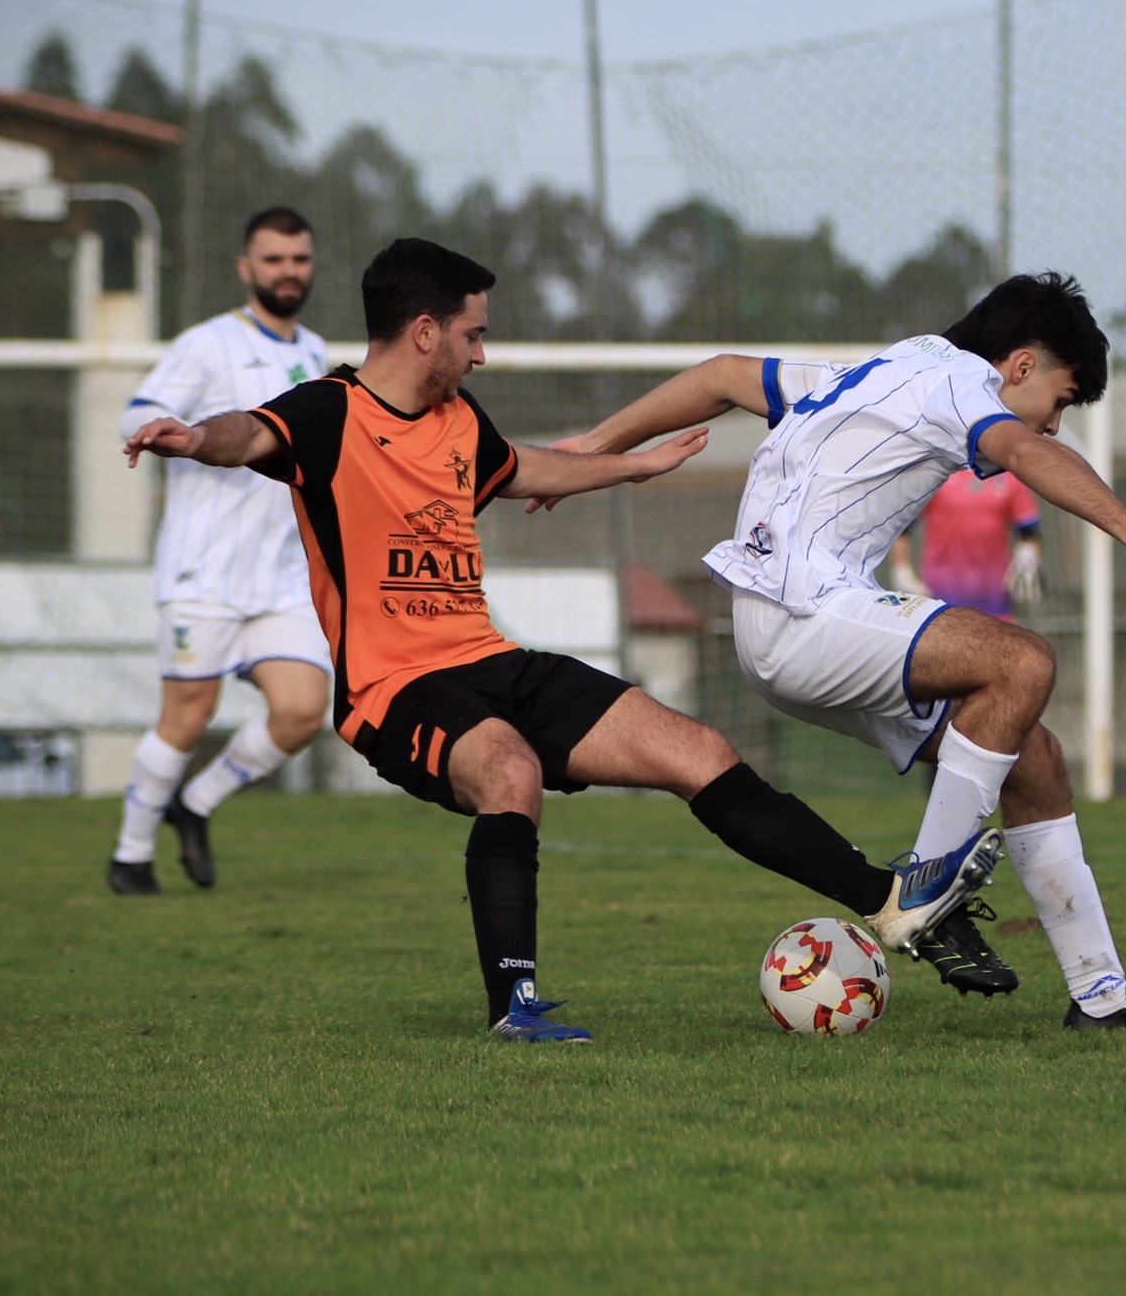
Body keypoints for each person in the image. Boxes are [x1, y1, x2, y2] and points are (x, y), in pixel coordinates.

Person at [123, 237, 996, 1043]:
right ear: (424, 332)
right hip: (393, 690)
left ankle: (891, 903)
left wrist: (630, 464)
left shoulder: (458, 418)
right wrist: (195, 437)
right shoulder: (327, 412)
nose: (480, 353)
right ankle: (514, 1006)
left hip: (492, 660)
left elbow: (522, 466)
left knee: (698, 750)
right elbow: (249, 434)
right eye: (472, 334)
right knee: (509, 769)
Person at [548, 273, 1126, 1031]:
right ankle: (922, 893)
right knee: (1023, 661)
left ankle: (1102, 996)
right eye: (1061, 400)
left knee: (1035, 757)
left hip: (788, 620)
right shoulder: (961, 382)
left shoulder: (879, 371)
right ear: (1021, 365)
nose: (1055, 424)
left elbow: (722, 375)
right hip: (806, 614)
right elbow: (1023, 450)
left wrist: (594, 444)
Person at [109, 207, 333, 896]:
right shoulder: (207, 344)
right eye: (274, 259)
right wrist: (160, 428)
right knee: (188, 714)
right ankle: (130, 856)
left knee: (303, 709)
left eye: (299, 258)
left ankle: (195, 805)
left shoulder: (316, 352)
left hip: (281, 575)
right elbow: (136, 410)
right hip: (202, 570)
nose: (288, 271)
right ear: (246, 267)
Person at [886, 470, 1043, 621]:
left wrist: (1027, 554)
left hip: (994, 596)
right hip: (941, 596)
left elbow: (1029, 532)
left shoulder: (1008, 477)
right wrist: (901, 569)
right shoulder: (936, 473)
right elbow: (903, 529)